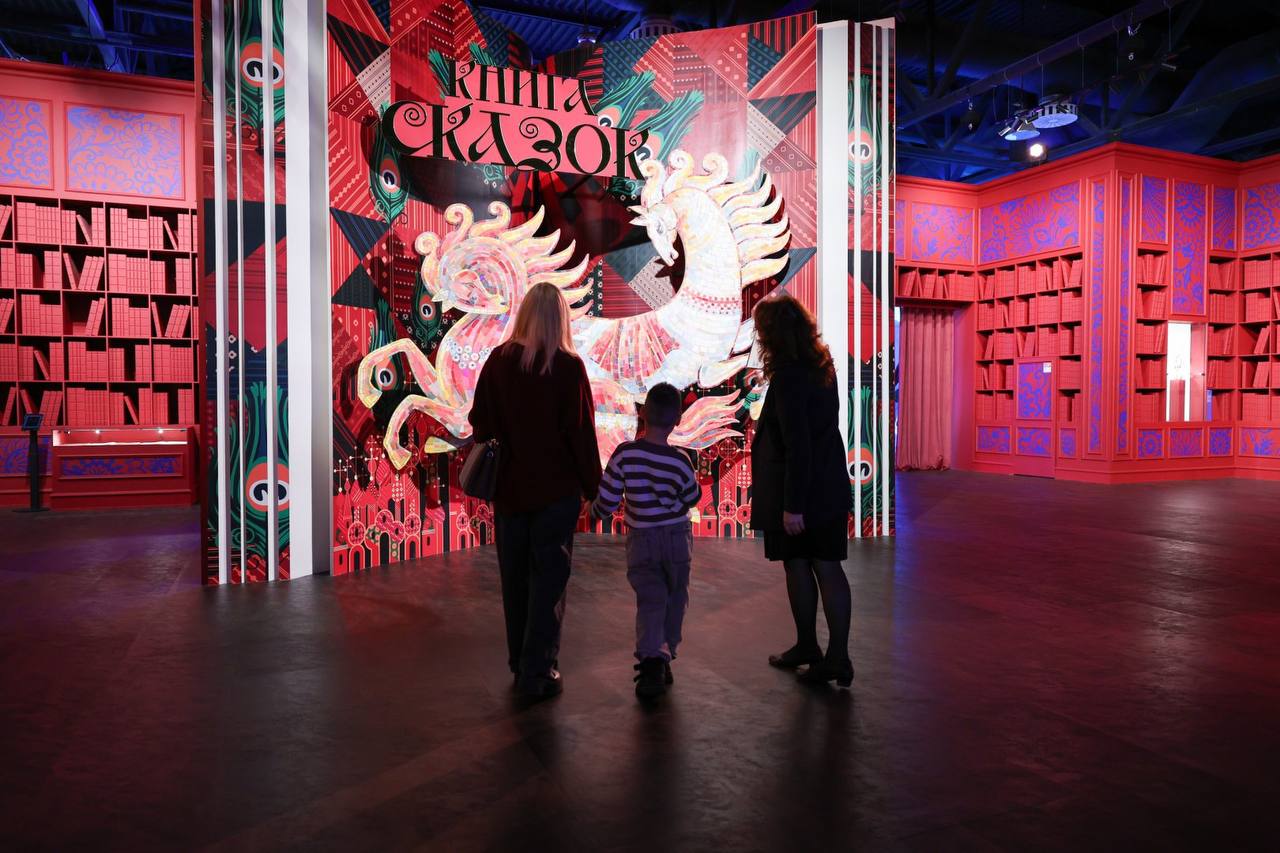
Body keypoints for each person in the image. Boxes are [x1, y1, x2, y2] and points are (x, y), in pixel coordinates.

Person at [469, 282, 602, 700]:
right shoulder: (568, 367)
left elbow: (479, 422)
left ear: (524, 314)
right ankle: (538, 669)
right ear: (560, 319)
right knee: (549, 580)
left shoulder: (498, 361)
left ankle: (519, 663)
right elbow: (581, 435)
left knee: (515, 579)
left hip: (509, 489)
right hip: (556, 492)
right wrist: (595, 488)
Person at [749, 294, 854, 687]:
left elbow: (798, 444)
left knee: (806, 564)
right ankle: (821, 651)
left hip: (801, 491)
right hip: (827, 485)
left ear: (774, 334)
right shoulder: (821, 368)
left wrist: (793, 505)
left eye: (762, 331)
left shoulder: (789, 376)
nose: (759, 338)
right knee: (824, 563)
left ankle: (829, 654)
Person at [591, 383, 701, 700]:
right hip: (676, 538)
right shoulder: (681, 460)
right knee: (676, 598)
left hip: (642, 540)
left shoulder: (625, 454)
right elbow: (692, 497)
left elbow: (608, 499)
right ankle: (663, 655)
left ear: (642, 414)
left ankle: (654, 659)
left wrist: (594, 511)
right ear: (677, 419)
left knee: (651, 599)